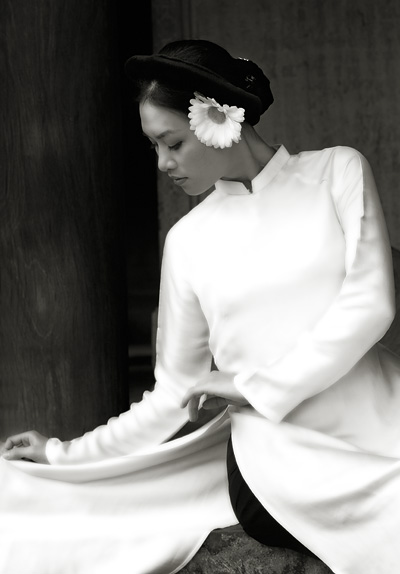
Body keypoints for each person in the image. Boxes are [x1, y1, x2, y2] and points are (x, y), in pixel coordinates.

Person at [1, 38, 400, 574]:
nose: (163, 163)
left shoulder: (337, 172)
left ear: (219, 117)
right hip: (281, 460)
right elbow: (173, 394)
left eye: (173, 143)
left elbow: (371, 302)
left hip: (381, 418)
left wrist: (253, 386)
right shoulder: (188, 241)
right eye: (154, 147)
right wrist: (61, 453)